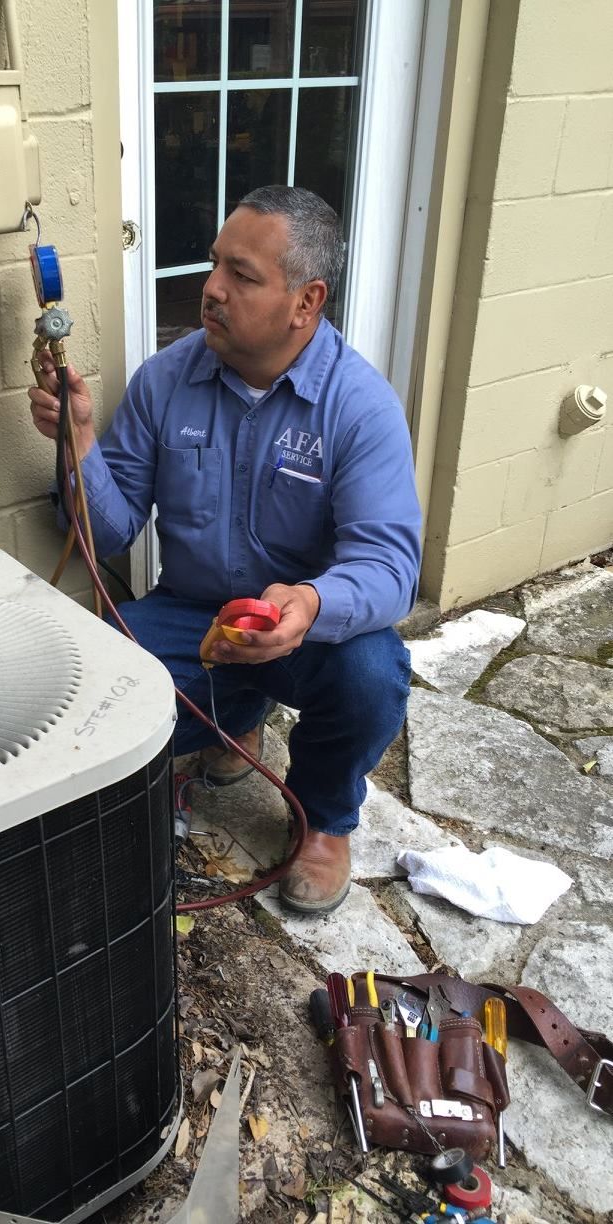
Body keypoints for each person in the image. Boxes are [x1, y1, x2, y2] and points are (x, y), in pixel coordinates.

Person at [28, 185, 421, 913]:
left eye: (242, 276)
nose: (210, 290)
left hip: (297, 631)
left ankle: (324, 822)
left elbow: (391, 566)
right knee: (95, 681)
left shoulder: (359, 407)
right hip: (191, 618)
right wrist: (79, 441)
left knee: (373, 672)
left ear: (306, 302)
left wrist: (311, 601)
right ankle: (234, 723)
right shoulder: (165, 381)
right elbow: (108, 536)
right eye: (214, 266)